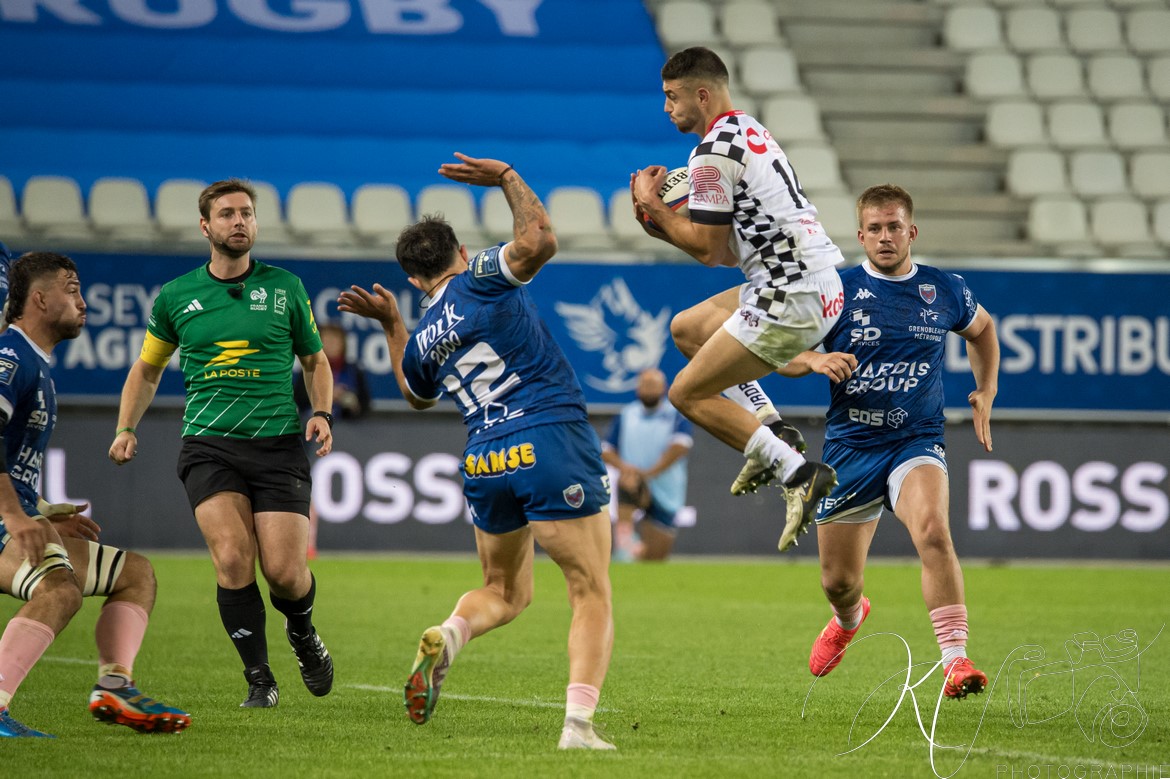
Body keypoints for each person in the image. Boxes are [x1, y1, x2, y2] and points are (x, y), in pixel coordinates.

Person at [338, 153, 616, 751]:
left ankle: (450, 632)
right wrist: (507, 178)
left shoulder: (422, 336)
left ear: (414, 281)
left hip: (485, 458)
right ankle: (577, 728)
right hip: (548, 436)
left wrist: (392, 324)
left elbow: (415, 395)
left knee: (506, 591)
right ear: (460, 252)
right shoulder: (482, 275)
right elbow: (539, 239)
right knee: (590, 589)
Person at [108, 179, 335, 709]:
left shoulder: (286, 287)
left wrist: (321, 412)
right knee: (233, 558)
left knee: (283, 572)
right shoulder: (175, 296)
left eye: (247, 213)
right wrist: (125, 427)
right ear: (206, 226)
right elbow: (146, 371)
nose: (240, 221)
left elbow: (315, 361)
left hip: (278, 442)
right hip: (209, 444)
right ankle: (260, 679)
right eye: (228, 214)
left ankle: (302, 631)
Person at [781, 184, 999, 699]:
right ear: (860, 235)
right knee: (838, 582)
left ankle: (955, 659)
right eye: (874, 228)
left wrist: (986, 389)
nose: (885, 236)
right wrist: (813, 360)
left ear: (911, 231)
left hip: (915, 439)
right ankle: (850, 618)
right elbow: (778, 350)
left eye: (894, 226)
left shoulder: (944, 290)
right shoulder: (835, 288)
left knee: (932, 530)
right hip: (851, 446)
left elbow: (983, 331)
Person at [631, 46, 845, 552]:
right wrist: (661, 226)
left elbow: (706, 251)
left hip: (788, 291)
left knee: (685, 394)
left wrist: (649, 205)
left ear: (700, 94)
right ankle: (774, 429)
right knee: (687, 328)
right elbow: (728, 252)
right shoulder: (748, 131)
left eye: (672, 97)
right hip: (809, 280)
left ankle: (797, 472)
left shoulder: (709, 153)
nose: (667, 108)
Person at [0, 252, 190, 737]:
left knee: (136, 574)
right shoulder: (10, 358)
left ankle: (115, 687)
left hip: (11, 516)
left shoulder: (36, 364)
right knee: (58, 590)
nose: (83, 302)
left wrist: (40, 511)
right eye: (71, 289)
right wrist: (16, 517)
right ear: (39, 299)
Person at [293, 322, 371, 558]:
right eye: (326, 339)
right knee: (304, 489)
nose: (331, 344)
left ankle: (307, 542)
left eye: (336, 340)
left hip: (346, 440)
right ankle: (304, 543)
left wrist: (348, 402)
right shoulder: (306, 370)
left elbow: (365, 406)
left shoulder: (353, 370)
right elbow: (297, 401)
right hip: (308, 441)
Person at [600, 368, 692, 561]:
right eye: (645, 385)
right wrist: (626, 469)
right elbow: (606, 450)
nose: (649, 390)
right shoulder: (626, 414)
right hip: (630, 482)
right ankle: (625, 558)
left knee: (656, 556)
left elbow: (680, 447)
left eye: (653, 385)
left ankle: (639, 554)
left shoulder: (675, 414)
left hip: (665, 488)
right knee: (624, 529)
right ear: (637, 389)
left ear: (664, 388)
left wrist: (648, 474)